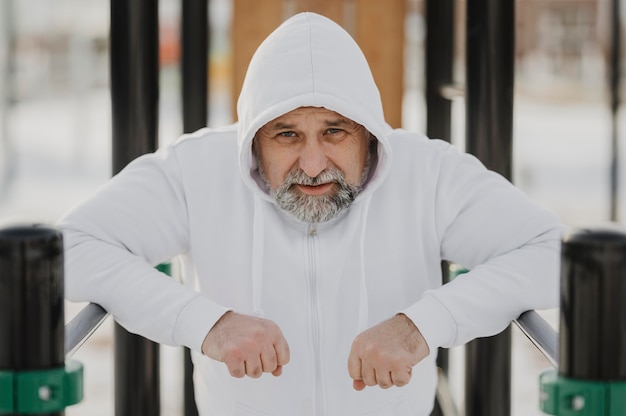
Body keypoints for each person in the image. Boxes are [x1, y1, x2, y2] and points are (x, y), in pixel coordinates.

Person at [60, 12, 563, 416]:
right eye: (287, 135)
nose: (314, 163)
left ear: (367, 130)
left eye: (335, 132)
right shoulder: (197, 170)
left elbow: (552, 254)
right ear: (254, 137)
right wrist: (206, 323)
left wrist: (423, 324)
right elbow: (68, 249)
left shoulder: (428, 173)